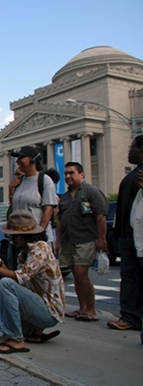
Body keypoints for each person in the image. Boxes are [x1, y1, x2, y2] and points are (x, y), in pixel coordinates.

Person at [0, 210, 65, 354]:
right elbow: (19, 282)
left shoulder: (40, 248)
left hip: (48, 311)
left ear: (26, 235)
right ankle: (34, 331)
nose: (12, 239)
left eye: (15, 236)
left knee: (5, 284)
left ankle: (16, 339)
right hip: (35, 304)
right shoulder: (24, 254)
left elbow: (18, 277)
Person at [57, 162, 107, 322]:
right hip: (68, 239)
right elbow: (59, 221)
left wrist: (101, 239)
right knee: (76, 274)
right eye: (66, 174)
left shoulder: (91, 192)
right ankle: (82, 307)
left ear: (81, 174)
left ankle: (91, 310)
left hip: (85, 238)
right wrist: (58, 241)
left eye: (71, 173)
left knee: (80, 272)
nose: (68, 176)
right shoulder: (64, 197)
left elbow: (100, 216)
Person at [107, 135, 143, 331]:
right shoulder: (134, 175)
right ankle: (131, 316)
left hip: (135, 235)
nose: (129, 151)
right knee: (130, 276)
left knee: (133, 276)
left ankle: (132, 316)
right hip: (128, 236)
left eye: (132, 147)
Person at [10, 146, 58, 243]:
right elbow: (13, 206)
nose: (18, 161)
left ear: (33, 160)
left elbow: (48, 210)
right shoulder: (19, 181)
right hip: (20, 239)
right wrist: (10, 189)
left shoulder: (45, 180)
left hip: (37, 239)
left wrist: (39, 234)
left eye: (21, 158)